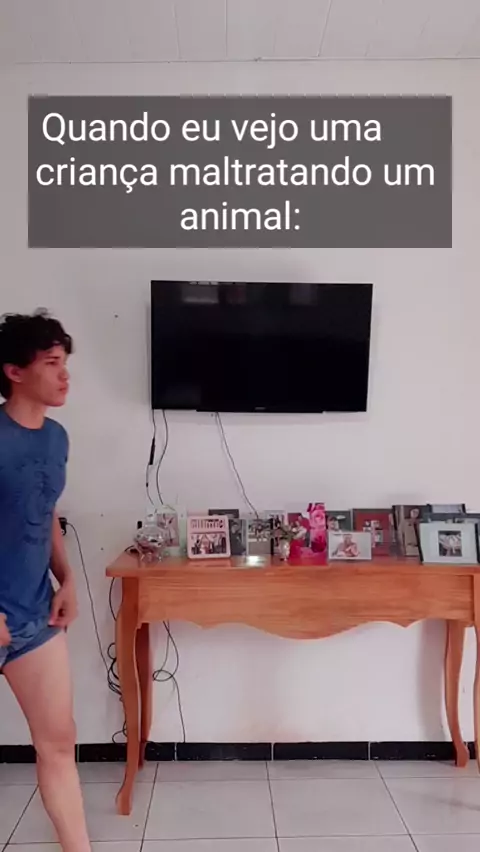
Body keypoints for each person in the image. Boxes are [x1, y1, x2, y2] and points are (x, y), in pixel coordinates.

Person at [0, 310, 91, 852]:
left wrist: (67, 578)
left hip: (34, 616)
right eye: (52, 362)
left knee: (58, 743)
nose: (64, 374)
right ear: (14, 371)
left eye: (65, 362)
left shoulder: (55, 438)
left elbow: (44, 508)